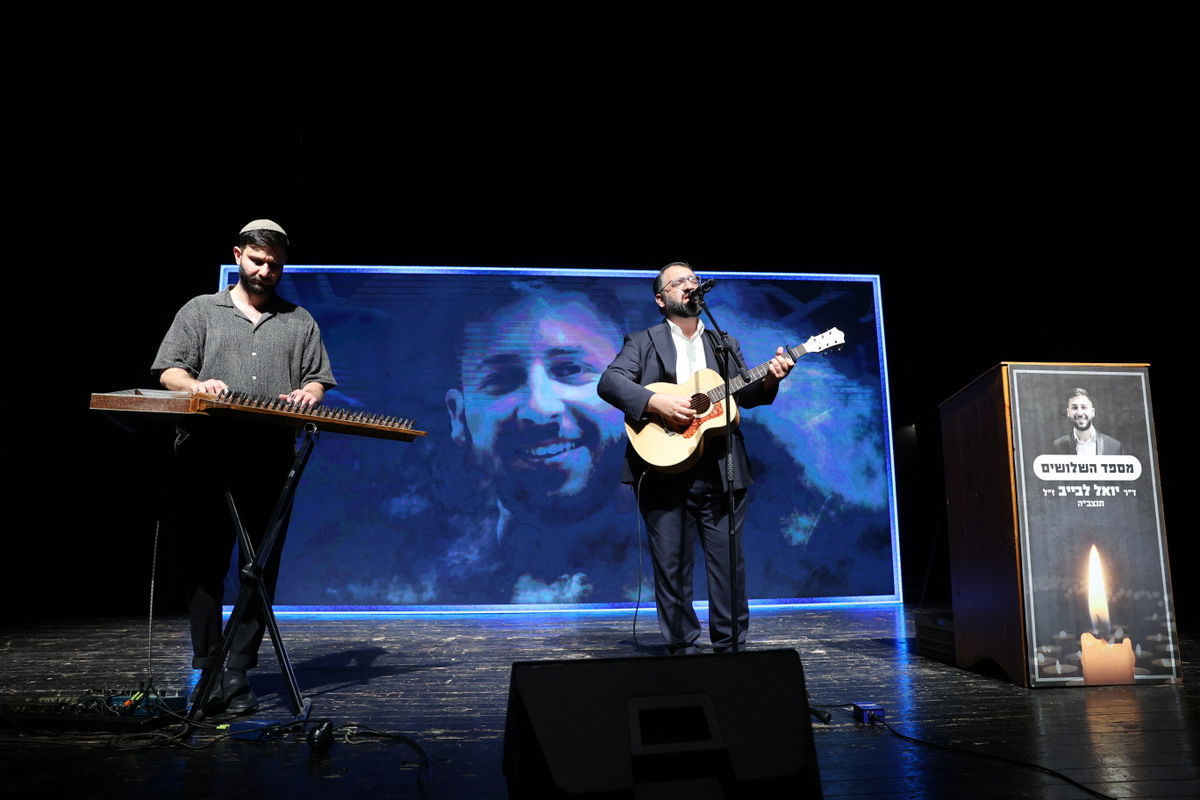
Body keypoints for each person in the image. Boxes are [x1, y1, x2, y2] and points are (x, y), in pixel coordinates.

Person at [152, 219, 336, 714]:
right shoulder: (200, 310)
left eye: (275, 264)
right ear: (238, 255)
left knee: (258, 565)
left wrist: (307, 394)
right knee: (205, 559)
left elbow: (318, 380)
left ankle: (238, 669)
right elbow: (169, 370)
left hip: (270, 457)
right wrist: (196, 386)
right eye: (257, 260)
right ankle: (208, 665)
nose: (265, 270)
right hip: (205, 454)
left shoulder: (299, 321)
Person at [597, 262, 795, 654]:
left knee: (729, 565)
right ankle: (683, 649)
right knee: (671, 566)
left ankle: (731, 647)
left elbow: (746, 394)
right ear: (660, 299)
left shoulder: (724, 342)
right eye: (679, 282)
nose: (690, 285)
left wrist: (772, 377)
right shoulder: (642, 341)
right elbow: (611, 382)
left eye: (693, 279)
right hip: (662, 467)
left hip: (722, 466)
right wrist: (657, 402)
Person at [443, 282, 630, 602]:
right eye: (501, 379)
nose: (540, 409)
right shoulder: (427, 569)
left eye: (571, 369)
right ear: (458, 417)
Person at [1052, 387, 1123, 455]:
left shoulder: (1114, 446)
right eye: (1074, 408)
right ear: (1068, 413)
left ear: (1093, 412)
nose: (1079, 413)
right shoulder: (1058, 447)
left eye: (1084, 407)